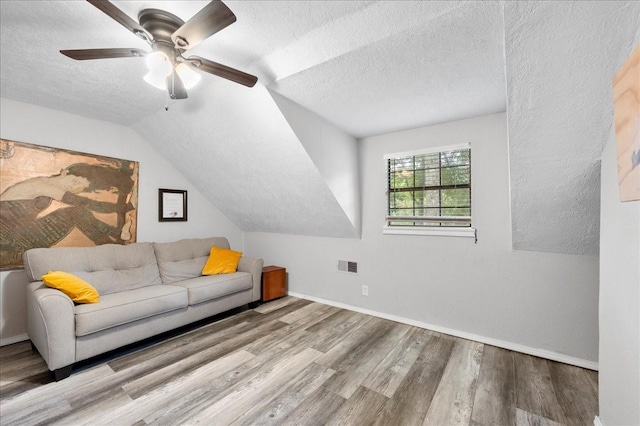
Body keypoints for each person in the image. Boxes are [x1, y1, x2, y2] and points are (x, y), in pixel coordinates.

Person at [0, 162, 137, 269]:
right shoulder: (43, 185)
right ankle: (117, 235)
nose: (73, 188)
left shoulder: (48, 186)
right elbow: (87, 203)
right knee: (76, 212)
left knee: (76, 212)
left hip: (18, 235)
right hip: (6, 238)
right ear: (65, 172)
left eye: (79, 188)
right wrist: (128, 207)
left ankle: (115, 240)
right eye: (75, 181)